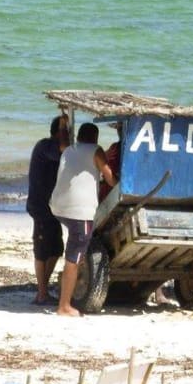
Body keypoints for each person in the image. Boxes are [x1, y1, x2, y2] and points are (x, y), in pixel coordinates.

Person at [50, 122, 116, 317]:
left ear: (78, 137)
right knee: (75, 258)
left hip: (58, 206)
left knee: (74, 251)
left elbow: (62, 144)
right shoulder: (96, 150)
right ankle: (64, 306)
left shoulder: (68, 149)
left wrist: (63, 125)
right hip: (81, 211)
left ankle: (64, 293)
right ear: (95, 138)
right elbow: (110, 178)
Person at [26, 114, 70, 305]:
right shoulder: (45, 146)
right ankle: (42, 293)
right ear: (58, 133)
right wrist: (64, 126)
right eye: (65, 133)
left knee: (57, 249)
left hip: (53, 208)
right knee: (42, 250)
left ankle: (42, 289)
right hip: (40, 207)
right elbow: (63, 148)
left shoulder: (55, 150)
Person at [97, 121, 122, 202]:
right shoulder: (115, 146)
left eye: (120, 128)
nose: (119, 131)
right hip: (112, 186)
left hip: (111, 190)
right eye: (119, 128)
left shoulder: (116, 147)